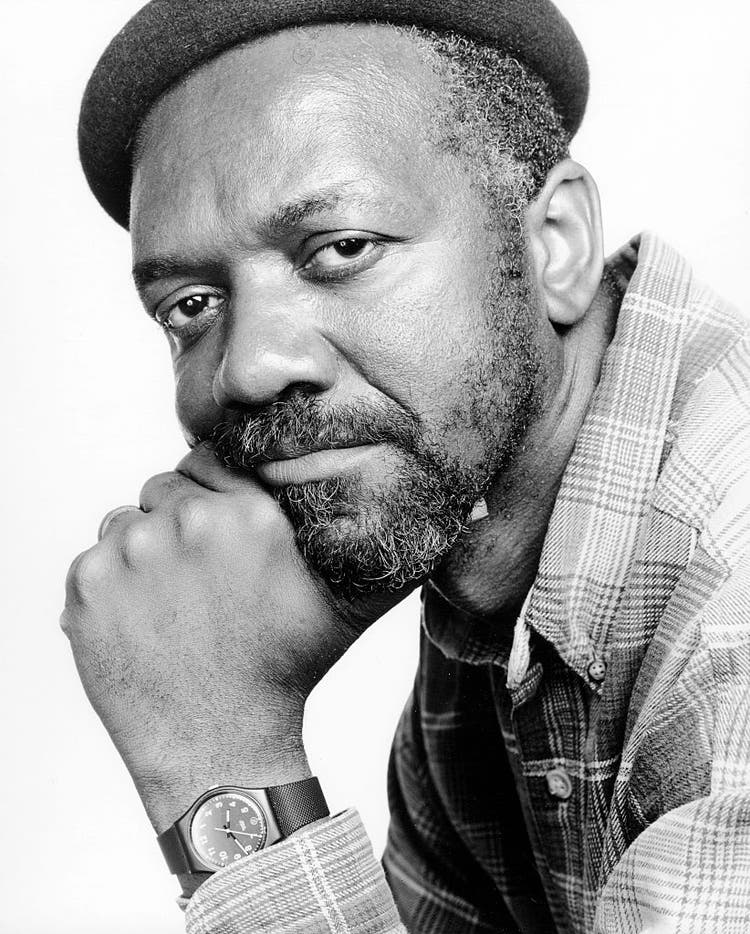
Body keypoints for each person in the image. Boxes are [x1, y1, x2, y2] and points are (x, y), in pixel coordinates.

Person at [63, 0, 750, 931]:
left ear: (555, 245)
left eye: (342, 249)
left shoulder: (733, 621)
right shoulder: (487, 570)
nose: (250, 367)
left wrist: (222, 762)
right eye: (191, 306)